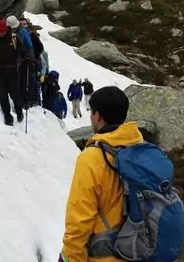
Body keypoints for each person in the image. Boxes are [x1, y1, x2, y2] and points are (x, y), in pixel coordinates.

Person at [59, 86, 143, 262]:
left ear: (97, 116)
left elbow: (79, 219)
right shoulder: (140, 147)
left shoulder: (92, 158)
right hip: (139, 248)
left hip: (107, 255)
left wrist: (69, 258)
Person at [0, 18, 28, 126]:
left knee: (14, 93)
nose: (1, 33)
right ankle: (7, 116)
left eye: (2, 31)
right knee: (2, 94)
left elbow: (23, 52)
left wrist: (26, 60)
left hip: (13, 70)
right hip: (0, 70)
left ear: (6, 29)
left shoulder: (14, 38)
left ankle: (19, 111)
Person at [7, 15, 37, 108]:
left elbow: (29, 46)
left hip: (25, 59)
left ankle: (26, 101)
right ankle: (19, 99)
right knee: (18, 80)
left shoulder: (23, 32)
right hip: (16, 59)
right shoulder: (12, 32)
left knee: (25, 80)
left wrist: (30, 59)